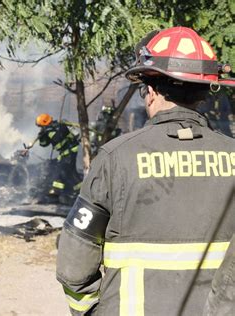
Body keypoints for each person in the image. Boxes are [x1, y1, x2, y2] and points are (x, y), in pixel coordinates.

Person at [56, 26, 235, 315]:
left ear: (150, 91)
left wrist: (90, 311)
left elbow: (74, 261)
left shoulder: (115, 158)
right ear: (203, 93)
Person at [34, 113, 82, 204]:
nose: (41, 128)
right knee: (71, 173)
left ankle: (55, 194)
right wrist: (42, 136)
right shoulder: (48, 131)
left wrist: (48, 131)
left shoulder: (60, 127)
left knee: (59, 172)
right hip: (65, 153)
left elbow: (57, 138)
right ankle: (80, 190)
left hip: (69, 152)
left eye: (41, 126)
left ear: (45, 123)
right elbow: (44, 144)